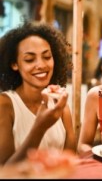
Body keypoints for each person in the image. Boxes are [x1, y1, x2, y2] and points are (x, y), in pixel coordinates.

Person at [0, 21, 76, 165]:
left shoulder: (61, 106)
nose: (41, 65)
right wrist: (40, 127)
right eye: (29, 59)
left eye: (47, 57)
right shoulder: (5, 105)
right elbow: (5, 172)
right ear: (14, 64)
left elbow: (70, 161)